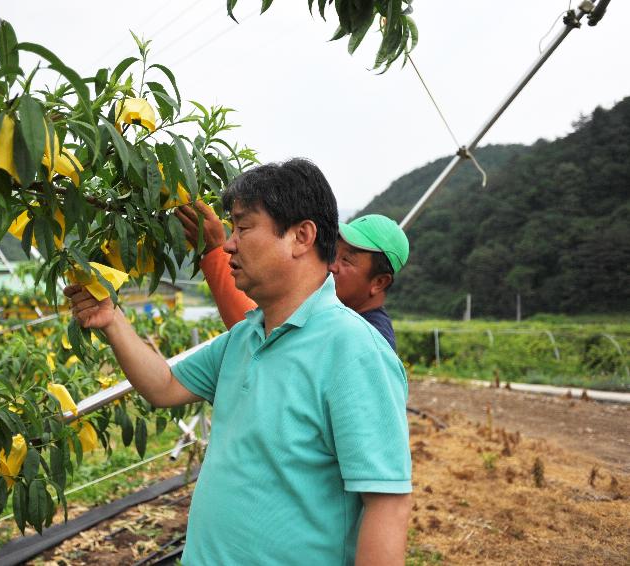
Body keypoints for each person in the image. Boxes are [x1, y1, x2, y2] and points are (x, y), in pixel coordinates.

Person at [65, 159, 411, 565]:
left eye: (243, 228)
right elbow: (163, 385)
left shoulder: (355, 350)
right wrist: (112, 320)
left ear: (301, 237)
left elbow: (387, 504)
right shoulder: (246, 335)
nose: (229, 243)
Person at [177, 203, 408, 350]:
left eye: (346, 260)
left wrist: (215, 252)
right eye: (334, 254)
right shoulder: (326, 314)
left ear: (379, 283)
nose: (332, 266)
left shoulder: (371, 341)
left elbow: (268, 344)